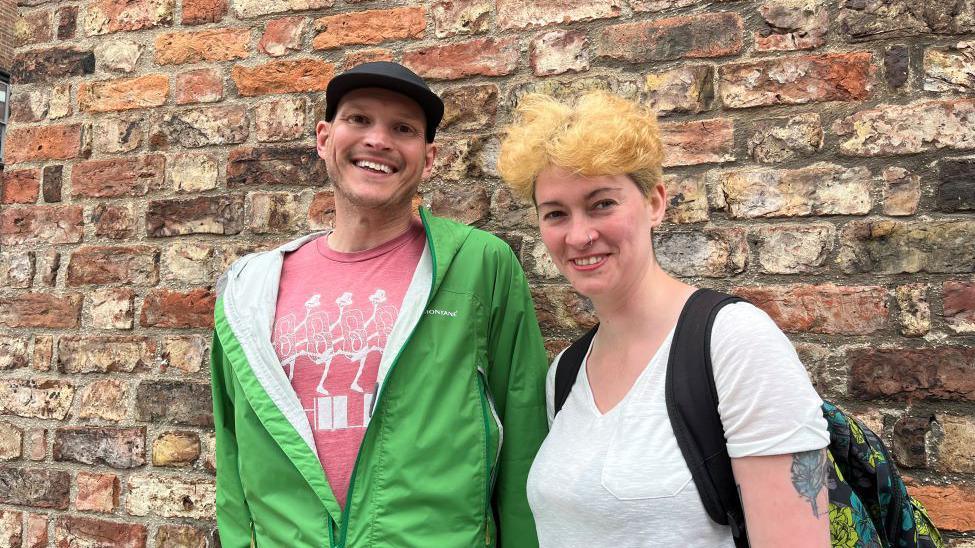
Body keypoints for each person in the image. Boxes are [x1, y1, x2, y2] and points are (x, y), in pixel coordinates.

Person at [210, 62, 549, 548]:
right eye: (359, 120)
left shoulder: (478, 265)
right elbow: (233, 453)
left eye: (403, 129)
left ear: (428, 158)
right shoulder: (249, 291)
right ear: (325, 138)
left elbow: (523, 439)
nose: (378, 140)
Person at [497, 91, 831, 547]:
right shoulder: (566, 373)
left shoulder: (734, 344)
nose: (578, 235)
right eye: (556, 213)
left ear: (655, 202)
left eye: (602, 204)